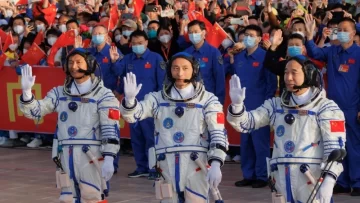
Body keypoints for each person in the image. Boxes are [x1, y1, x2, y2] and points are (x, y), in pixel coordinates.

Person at [227, 56, 346, 203]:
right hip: (281, 180)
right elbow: (247, 124)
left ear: (309, 74)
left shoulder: (326, 107)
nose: (288, 77)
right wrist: (237, 106)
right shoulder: (276, 105)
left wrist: (329, 180)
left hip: (310, 179)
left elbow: (335, 149)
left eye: (294, 72)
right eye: (285, 72)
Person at [120, 52, 228, 202]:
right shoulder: (157, 98)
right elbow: (133, 115)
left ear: (194, 70)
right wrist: (130, 101)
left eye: (185, 68)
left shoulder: (207, 99)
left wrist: (216, 163)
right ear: (169, 70)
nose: (180, 73)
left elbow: (218, 132)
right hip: (166, 167)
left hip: (195, 165)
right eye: (175, 68)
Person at [18, 48, 120, 203]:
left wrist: (109, 158)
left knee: (92, 195)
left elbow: (110, 128)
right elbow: (36, 112)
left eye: (79, 62)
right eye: (71, 62)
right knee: (67, 198)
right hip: (65, 155)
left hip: (91, 156)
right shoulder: (59, 93)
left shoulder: (103, 95)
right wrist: (26, 93)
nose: (74, 66)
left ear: (90, 64)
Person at [305, 15, 360, 195]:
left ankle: (357, 182)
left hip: (352, 107)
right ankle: (341, 181)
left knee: (353, 146)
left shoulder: (358, 54)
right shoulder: (332, 51)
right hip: (333, 110)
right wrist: (310, 35)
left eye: (345, 30)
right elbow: (314, 53)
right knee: (336, 146)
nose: (341, 33)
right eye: (339, 30)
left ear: (353, 33)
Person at [113, 30, 166, 179]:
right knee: (136, 138)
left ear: (146, 43)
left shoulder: (156, 58)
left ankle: (154, 168)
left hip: (150, 107)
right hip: (132, 105)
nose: (137, 46)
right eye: (134, 43)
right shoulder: (128, 59)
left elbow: (162, 83)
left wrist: (160, 103)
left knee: (151, 138)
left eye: (140, 43)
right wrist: (115, 60)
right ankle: (141, 167)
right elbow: (119, 74)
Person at [230, 24, 277, 188]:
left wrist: (267, 104)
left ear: (259, 39)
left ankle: (262, 176)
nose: (248, 38)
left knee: (260, 144)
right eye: (246, 35)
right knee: (246, 143)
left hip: (259, 108)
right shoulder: (239, 57)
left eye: (252, 35)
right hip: (243, 108)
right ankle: (248, 174)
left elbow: (271, 83)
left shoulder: (265, 57)